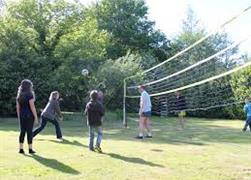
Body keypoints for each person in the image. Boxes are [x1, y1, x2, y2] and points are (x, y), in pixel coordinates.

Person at [16, 79, 38, 154]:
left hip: (22, 115)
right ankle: (30, 149)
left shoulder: (19, 95)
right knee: (29, 132)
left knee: (22, 132)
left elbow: (18, 108)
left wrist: (19, 116)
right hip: (29, 115)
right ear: (29, 86)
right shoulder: (30, 94)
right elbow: (32, 107)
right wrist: (36, 117)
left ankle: (21, 149)